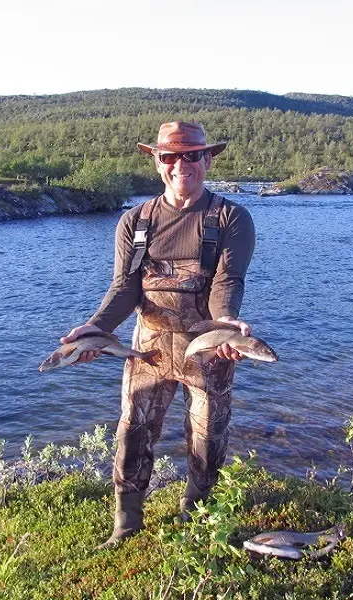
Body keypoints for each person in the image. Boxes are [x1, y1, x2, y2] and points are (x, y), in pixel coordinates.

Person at [60, 121, 256, 547]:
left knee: (209, 436)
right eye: (170, 156)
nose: (180, 164)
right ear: (156, 162)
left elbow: (227, 283)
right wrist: (97, 328)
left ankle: (196, 519)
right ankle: (126, 527)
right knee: (132, 433)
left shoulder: (230, 218)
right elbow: (124, 287)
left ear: (207, 159)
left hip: (208, 351)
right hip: (147, 349)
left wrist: (227, 325)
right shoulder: (136, 221)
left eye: (191, 155)